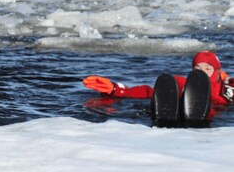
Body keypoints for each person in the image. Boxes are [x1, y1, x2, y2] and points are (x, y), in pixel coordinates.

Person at [83, 51, 234, 112]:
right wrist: (117, 89)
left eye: (207, 69)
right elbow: (151, 91)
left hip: (218, 117)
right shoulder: (184, 83)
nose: (201, 72)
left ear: (218, 71)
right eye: (197, 68)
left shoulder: (229, 85)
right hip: (188, 110)